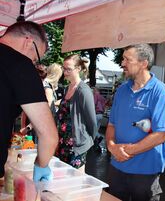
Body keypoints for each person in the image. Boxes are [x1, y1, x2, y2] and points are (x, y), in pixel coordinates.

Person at [106, 44, 165, 201]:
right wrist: (111, 147)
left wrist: (128, 150)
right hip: (117, 167)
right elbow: (112, 125)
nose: (122, 63)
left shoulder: (159, 91)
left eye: (127, 60)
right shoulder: (122, 90)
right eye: (123, 59)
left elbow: (161, 135)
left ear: (144, 63)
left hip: (145, 171)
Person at [0, 21, 58, 182]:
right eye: (36, 57)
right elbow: (49, 135)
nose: (34, 63)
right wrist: (42, 164)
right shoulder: (20, 65)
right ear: (28, 41)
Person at [55, 54, 97, 172]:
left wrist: (87, 141)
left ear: (78, 69)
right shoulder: (67, 87)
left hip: (77, 144)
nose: (65, 72)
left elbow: (92, 121)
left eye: (69, 69)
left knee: (76, 179)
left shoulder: (83, 90)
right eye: (64, 68)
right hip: (63, 142)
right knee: (63, 176)